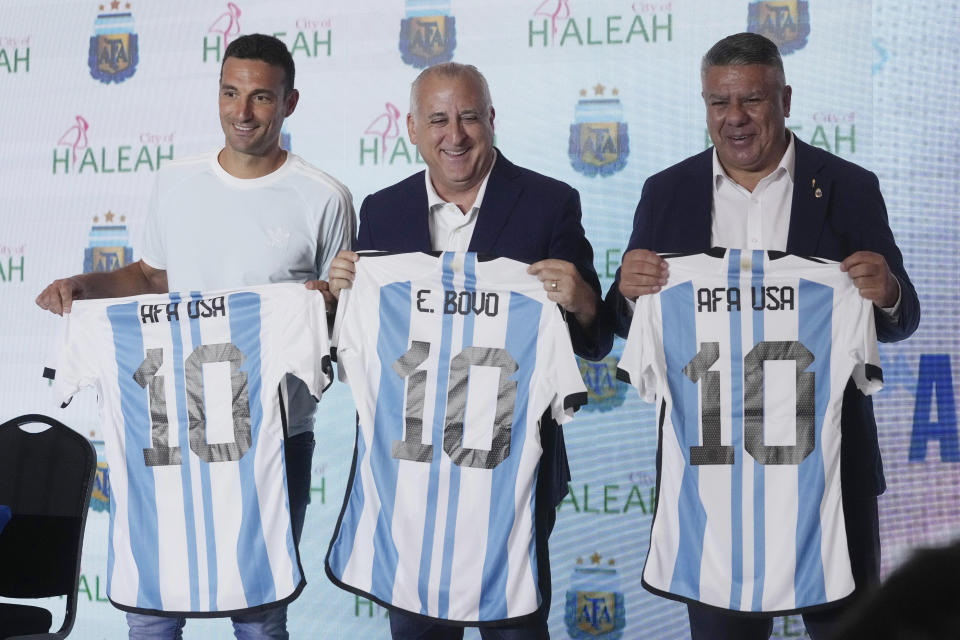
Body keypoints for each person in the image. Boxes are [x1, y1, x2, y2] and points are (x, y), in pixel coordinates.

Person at [36, 33, 354, 640]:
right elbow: (152, 275)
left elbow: (339, 320)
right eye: (231, 93)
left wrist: (328, 304)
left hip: (273, 431)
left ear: (290, 102)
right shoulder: (176, 180)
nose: (243, 112)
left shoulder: (326, 196)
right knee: (153, 611)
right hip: (171, 426)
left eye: (261, 97)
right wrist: (85, 285)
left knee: (259, 614)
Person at [606, 32, 920, 640]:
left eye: (752, 101)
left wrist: (887, 292)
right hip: (713, 489)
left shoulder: (849, 186)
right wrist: (628, 290)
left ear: (786, 99)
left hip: (829, 476)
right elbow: (636, 323)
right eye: (719, 103)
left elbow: (900, 318)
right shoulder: (666, 192)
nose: (735, 119)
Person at [327, 62, 610, 639]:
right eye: (437, 119)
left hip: (511, 476)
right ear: (410, 128)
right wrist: (336, 299)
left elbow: (595, 340)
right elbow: (356, 348)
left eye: (468, 117)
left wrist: (582, 299)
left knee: (514, 629)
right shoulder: (381, 212)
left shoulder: (550, 203)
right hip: (408, 474)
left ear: (491, 121)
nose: (453, 135)